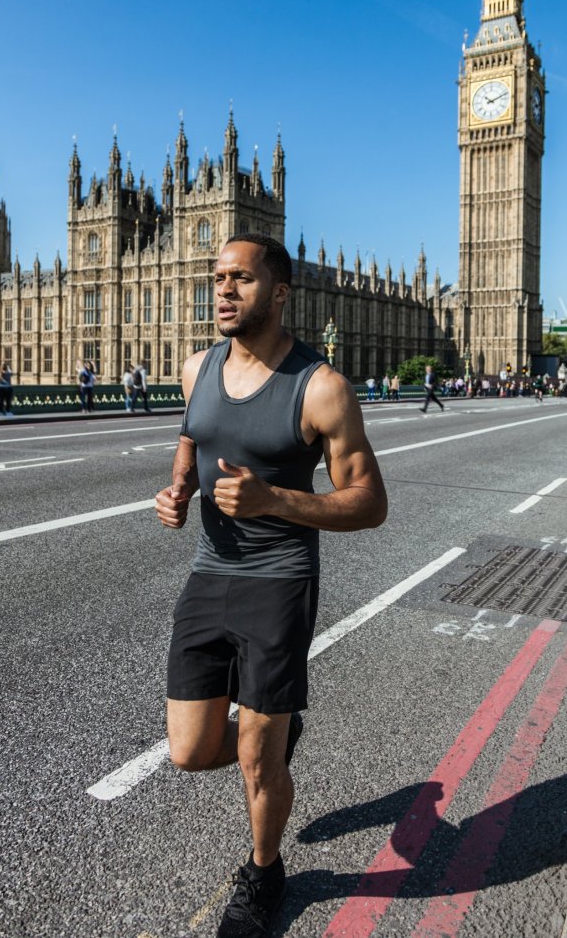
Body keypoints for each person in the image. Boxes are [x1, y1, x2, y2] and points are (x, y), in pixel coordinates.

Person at [155, 234, 387, 938]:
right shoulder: (197, 369)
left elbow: (371, 502)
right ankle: (276, 737)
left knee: (256, 752)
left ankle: (264, 871)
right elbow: (192, 441)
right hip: (208, 574)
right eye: (217, 278)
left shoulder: (321, 387)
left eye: (242, 279)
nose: (224, 290)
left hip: (280, 581)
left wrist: (276, 502)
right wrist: (176, 489)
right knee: (190, 750)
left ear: (279, 292)